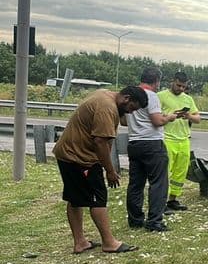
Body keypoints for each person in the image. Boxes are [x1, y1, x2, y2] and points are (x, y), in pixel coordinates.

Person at [53, 86, 147, 254]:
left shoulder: (105, 94)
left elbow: (120, 119)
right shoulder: (107, 108)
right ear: (126, 98)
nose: (131, 113)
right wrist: (109, 170)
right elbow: (100, 143)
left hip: (67, 153)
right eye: (132, 108)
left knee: (75, 199)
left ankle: (80, 242)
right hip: (81, 158)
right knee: (98, 198)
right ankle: (109, 242)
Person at [125, 67, 183, 232]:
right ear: (156, 81)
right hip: (152, 143)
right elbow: (157, 121)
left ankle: (135, 219)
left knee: (135, 184)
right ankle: (154, 221)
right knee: (158, 183)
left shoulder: (131, 95)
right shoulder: (151, 96)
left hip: (134, 142)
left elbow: (123, 121)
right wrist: (170, 117)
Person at [158, 72, 201, 211]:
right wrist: (169, 116)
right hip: (167, 138)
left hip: (184, 139)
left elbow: (198, 119)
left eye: (184, 86)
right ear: (172, 81)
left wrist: (188, 115)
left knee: (180, 171)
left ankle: (173, 199)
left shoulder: (188, 99)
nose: (181, 89)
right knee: (165, 171)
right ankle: (161, 201)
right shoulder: (161, 96)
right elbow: (155, 116)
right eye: (178, 85)